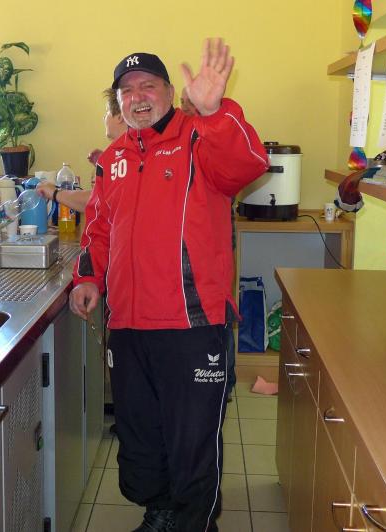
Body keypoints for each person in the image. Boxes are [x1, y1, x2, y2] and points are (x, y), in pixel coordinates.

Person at [70, 39, 268, 532]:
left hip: (192, 324)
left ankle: (195, 524)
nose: (137, 97)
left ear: (167, 91)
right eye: (126, 90)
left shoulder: (200, 138)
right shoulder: (112, 158)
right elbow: (98, 226)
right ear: (117, 101)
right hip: (128, 324)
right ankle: (159, 513)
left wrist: (215, 110)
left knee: (192, 439)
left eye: (148, 86)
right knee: (141, 435)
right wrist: (88, 277)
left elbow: (248, 164)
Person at [37, 88, 128, 213]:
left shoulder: (130, 154)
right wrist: (105, 165)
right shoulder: (119, 153)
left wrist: (55, 193)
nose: (104, 118)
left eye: (107, 112)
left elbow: (99, 200)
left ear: (120, 116)